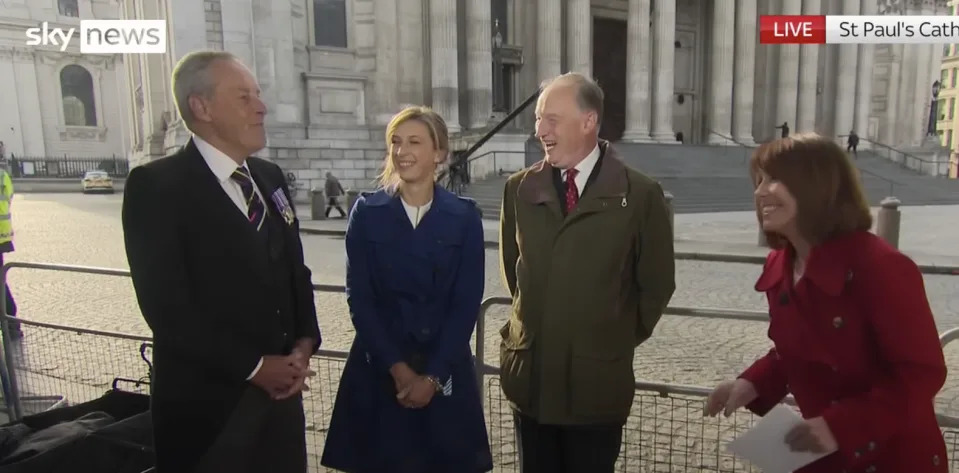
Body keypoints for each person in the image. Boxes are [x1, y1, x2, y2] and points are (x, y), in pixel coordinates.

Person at [121, 50, 321, 473]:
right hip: (209, 413)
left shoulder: (269, 177)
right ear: (202, 107)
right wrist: (253, 367)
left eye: (258, 95)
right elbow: (167, 308)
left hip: (282, 403)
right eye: (244, 97)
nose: (261, 106)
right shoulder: (157, 187)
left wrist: (304, 342)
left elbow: (294, 271)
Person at [705, 133, 947, 472]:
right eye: (759, 180)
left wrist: (839, 427)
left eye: (774, 179)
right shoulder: (780, 263)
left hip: (890, 455)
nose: (760, 192)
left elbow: (920, 374)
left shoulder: (880, 266)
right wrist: (753, 383)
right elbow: (800, 349)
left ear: (815, 186)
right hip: (822, 453)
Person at [498, 72, 676, 473]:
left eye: (552, 119)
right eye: (539, 118)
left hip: (595, 391)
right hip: (533, 386)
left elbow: (657, 285)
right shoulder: (518, 190)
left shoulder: (642, 195)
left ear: (589, 121)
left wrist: (607, 339)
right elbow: (515, 275)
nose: (540, 130)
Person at [321, 105, 492, 473]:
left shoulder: (464, 218)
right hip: (380, 368)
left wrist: (432, 377)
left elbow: (465, 305)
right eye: (395, 142)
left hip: (442, 370)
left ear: (440, 153)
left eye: (414, 141)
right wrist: (398, 370)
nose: (402, 151)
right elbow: (360, 299)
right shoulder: (367, 213)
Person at [0, 160, 19, 340]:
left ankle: (10, 324)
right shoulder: (3, 175)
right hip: (2, 235)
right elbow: (9, 197)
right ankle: (10, 324)